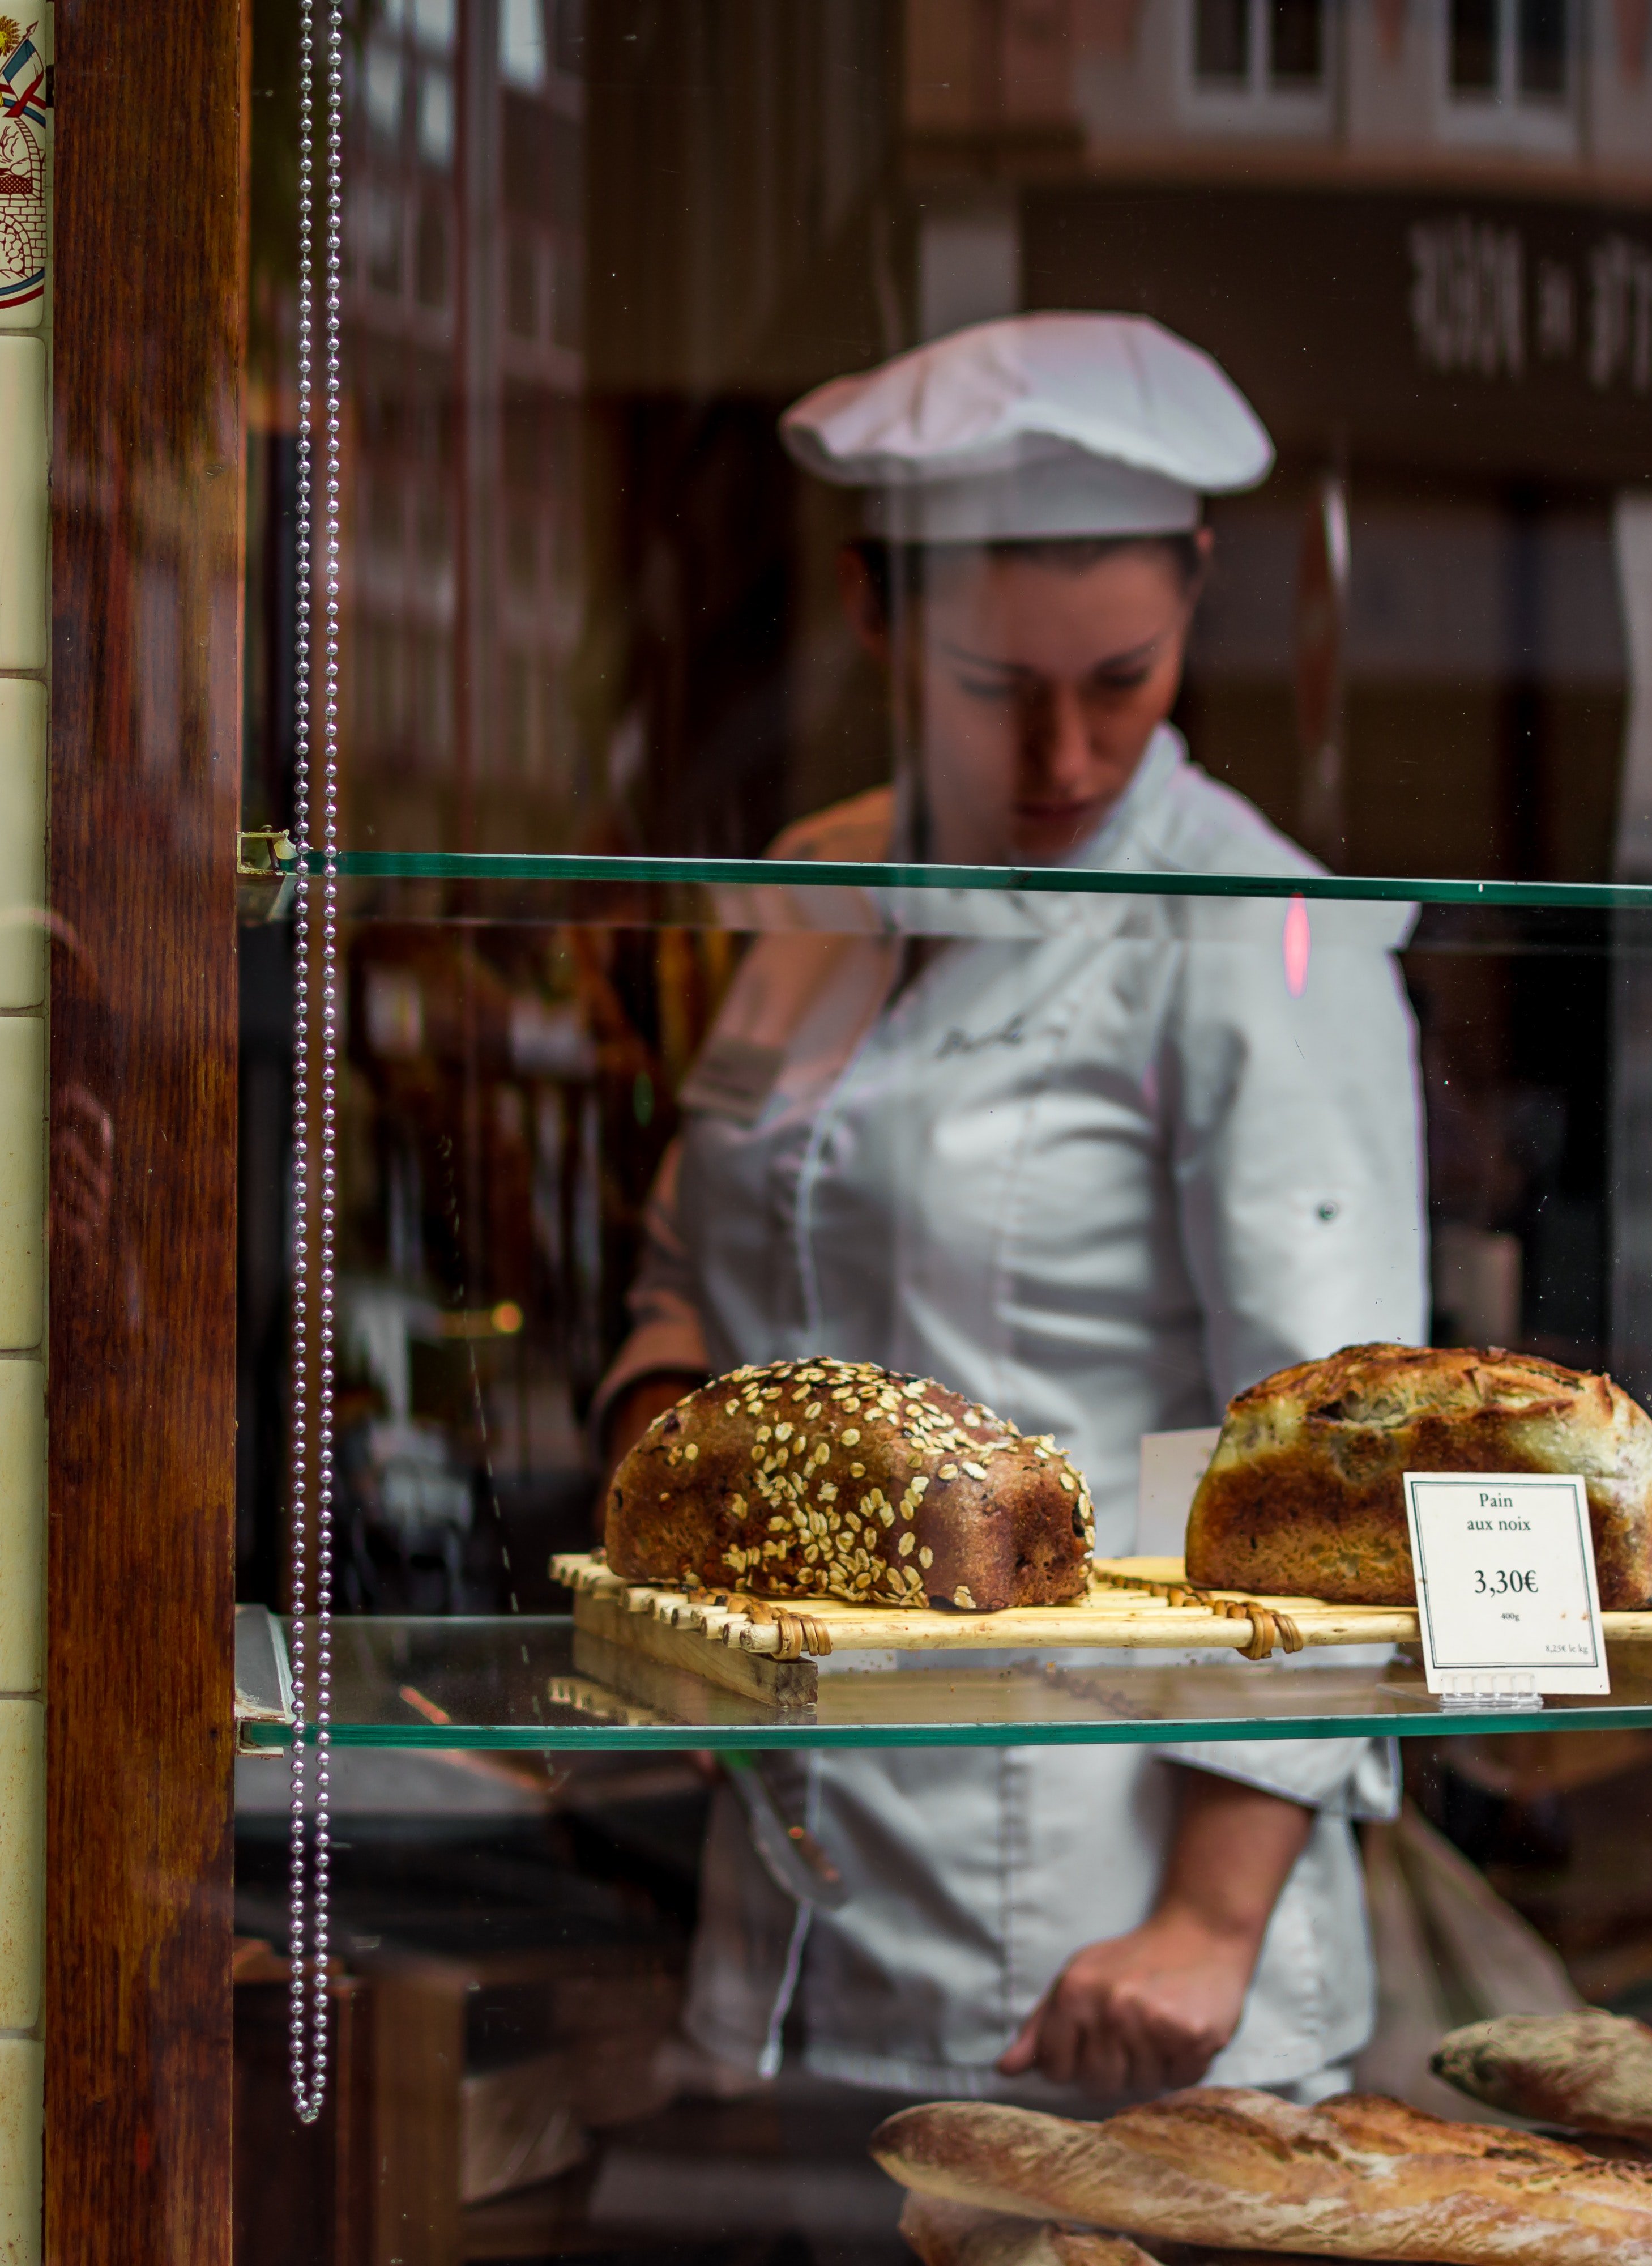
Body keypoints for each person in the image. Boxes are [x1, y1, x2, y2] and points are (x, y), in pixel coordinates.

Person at [594, 313, 1428, 2105]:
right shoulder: (814, 887)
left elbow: (1336, 1476)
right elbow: (694, 1267)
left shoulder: (1263, 933)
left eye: (1121, 679)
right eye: (994, 687)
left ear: (1200, 594)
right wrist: (671, 1499)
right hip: (793, 1914)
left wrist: (1207, 1924)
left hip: (1106, 1951)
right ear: (874, 612)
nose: (1065, 754)